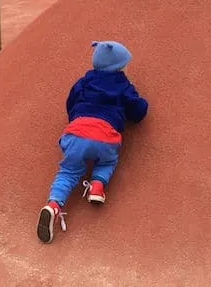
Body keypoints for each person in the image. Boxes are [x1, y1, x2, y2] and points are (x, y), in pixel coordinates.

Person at [37, 41, 149, 244]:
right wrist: (143, 106)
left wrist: (76, 118)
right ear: (119, 67)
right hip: (105, 137)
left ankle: (53, 205)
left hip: (76, 132)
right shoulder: (124, 86)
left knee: (68, 172)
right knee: (107, 162)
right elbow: (137, 111)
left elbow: (70, 101)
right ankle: (97, 186)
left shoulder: (83, 81)